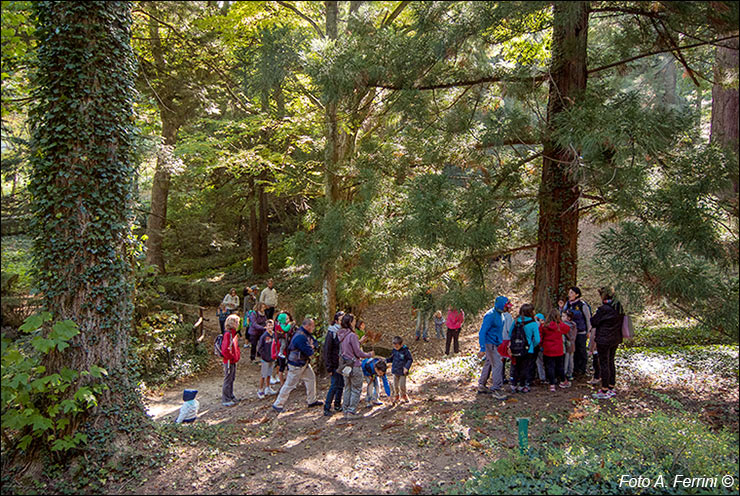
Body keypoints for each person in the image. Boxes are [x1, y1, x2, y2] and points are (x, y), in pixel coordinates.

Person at [272, 318, 323, 413]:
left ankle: (312, 400)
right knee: (289, 385)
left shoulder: (305, 334)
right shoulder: (300, 336)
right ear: (307, 326)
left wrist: (312, 345)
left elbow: (315, 342)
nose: (313, 328)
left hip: (303, 363)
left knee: (311, 379)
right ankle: (277, 404)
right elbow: (309, 351)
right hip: (296, 365)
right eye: (312, 326)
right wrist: (311, 347)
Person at [338, 313, 374, 418]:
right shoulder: (352, 335)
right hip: (354, 365)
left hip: (345, 365)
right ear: (350, 322)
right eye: (353, 321)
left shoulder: (341, 334)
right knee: (356, 388)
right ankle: (351, 411)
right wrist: (368, 355)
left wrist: (359, 342)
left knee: (347, 387)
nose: (355, 323)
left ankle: (346, 410)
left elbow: (349, 348)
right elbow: (358, 353)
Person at [590, 287, 624, 399]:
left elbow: (594, 321)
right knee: (610, 361)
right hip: (615, 338)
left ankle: (604, 389)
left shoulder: (603, 309)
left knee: (604, 363)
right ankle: (611, 385)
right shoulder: (618, 307)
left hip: (604, 339)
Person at [476, 296, 509, 400]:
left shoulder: (500, 314)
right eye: (506, 306)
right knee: (498, 364)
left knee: (489, 363)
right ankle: (496, 389)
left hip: (495, 343)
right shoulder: (490, 315)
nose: (508, 308)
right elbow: (482, 332)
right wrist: (482, 348)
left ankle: (482, 385)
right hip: (489, 344)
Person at [563, 286, 592, 378]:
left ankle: (582, 369)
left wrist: (589, 331)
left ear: (577, 294)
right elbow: (563, 315)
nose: (569, 294)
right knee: (572, 351)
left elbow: (588, 318)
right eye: (569, 292)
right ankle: (573, 369)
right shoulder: (567, 304)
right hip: (570, 333)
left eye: (571, 293)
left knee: (581, 350)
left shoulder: (582, 305)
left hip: (581, 331)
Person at [511, 304, 540, 393]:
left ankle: (514, 384)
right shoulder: (533, 323)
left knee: (516, 366)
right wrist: (532, 345)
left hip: (515, 348)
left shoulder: (516, 321)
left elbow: (510, 334)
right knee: (526, 367)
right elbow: (537, 339)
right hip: (528, 349)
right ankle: (523, 385)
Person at [540, 309, 571, 391]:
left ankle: (552, 384)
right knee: (560, 366)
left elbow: (541, 337)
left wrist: (541, 345)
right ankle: (563, 381)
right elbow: (567, 329)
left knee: (549, 366)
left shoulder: (544, 326)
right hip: (558, 349)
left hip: (547, 349)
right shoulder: (560, 326)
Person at [323, 311, 345, 416]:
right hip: (334, 364)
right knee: (334, 385)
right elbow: (327, 350)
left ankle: (337, 404)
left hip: (341, 363)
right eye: (341, 319)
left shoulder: (344, 332)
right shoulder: (332, 333)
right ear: (336, 321)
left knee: (341, 385)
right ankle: (327, 407)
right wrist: (329, 367)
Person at [221, 314, 241, 407]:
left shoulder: (233, 334)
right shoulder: (228, 334)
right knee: (228, 379)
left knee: (232, 378)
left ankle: (231, 395)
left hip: (233, 360)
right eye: (236, 322)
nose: (238, 324)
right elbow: (225, 349)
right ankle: (226, 399)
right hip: (228, 361)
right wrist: (231, 356)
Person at [386, 336, 413, 403]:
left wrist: (406, 367)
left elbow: (410, 359)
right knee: (395, 385)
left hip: (402, 372)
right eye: (395, 346)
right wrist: (386, 360)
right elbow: (392, 359)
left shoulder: (405, 351)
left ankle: (404, 395)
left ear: (401, 344)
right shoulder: (394, 351)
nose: (396, 347)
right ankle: (396, 396)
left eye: (397, 346)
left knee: (402, 385)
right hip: (395, 371)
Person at [256, 320, 277, 398]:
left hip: (272, 357)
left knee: (269, 374)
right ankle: (260, 390)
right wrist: (264, 356)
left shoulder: (274, 335)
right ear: (266, 327)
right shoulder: (264, 336)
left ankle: (268, 387)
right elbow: (260, 348)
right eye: (268, 325)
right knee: (263, 374)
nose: (270, 327)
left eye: (271, 325)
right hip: (265, 358)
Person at [497, 301, 515, 384]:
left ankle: (500, 376)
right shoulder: (508, 317)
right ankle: (511, 377)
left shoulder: (497, 315)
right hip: (506, 340)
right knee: (511, 359)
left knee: (501, 359)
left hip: (499, 340)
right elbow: (509, 329)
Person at [562, 310, 577, 382]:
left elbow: (567, 335)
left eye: (563, 316)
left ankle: (565, 374)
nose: (562, 317)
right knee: (571, 359)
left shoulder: (566, 325)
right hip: (572, 344)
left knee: (567, 360)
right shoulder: (574, 325)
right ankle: (570, 373)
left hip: (567, 344)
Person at [534, 312, 546, 383]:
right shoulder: (537, 327)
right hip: (538, 347)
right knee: (539, 362)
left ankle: (542, 376)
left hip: (542, 347)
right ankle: (541, 377)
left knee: (541, 362)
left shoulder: (543, 328)